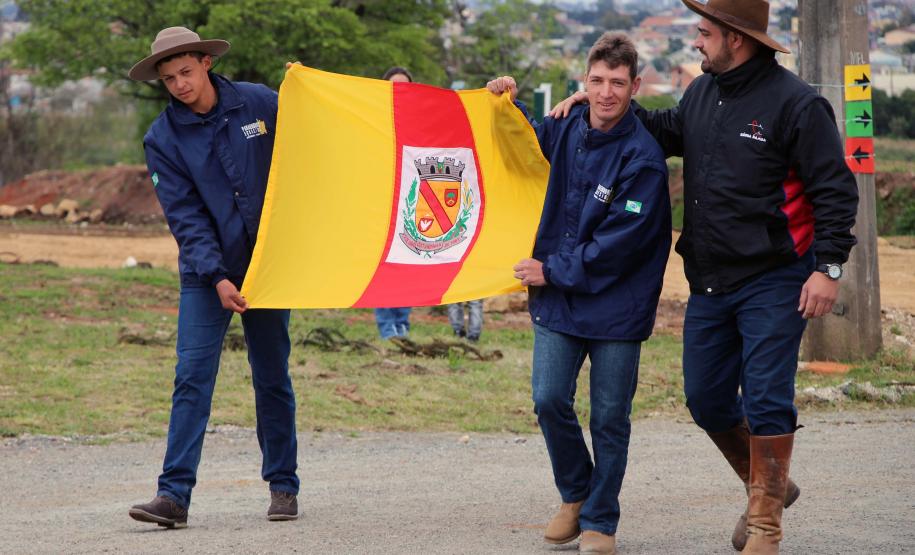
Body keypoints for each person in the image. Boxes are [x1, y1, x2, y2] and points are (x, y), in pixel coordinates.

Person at [551, 1, 859, 552]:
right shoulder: (701, 92)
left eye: (703, 32)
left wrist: (828, 269)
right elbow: (664, 129)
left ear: (736, 39)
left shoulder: (798, 105)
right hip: (711, 280)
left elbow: (835, 192)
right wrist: (599, 103)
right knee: (707, 399)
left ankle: (765, 525)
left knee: (766, 396)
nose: (696, 41)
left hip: (776, 277)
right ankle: (767, 483)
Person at [489, 32, 671, 554]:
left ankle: (600, 522)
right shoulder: (566, 126)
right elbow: (523, 143)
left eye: (617, 83)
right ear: (583, 81)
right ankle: (576, 494)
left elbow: (621, 246)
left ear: (635, 86)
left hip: (618, 304)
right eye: (597, 81)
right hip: (560, 302)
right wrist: (506, 102)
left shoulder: (644, 160)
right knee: (548, 399)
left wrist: (552, 270)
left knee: (610, 417)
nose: (606, 92)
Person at [126, 26, 300, 528]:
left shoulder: (261, 103)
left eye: (185, 71)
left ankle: (283, 486)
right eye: (168, 78)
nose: (179, 84)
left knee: (272, 378)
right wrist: (218, 276)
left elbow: (313, 140)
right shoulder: (161, 138)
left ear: (205, 62)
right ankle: (173, 496)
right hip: (207, 277)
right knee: (191, 379)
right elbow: (185, 218)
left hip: (268, 268)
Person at [374, 66, 415, 339]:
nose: (399, 89)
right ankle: (387, 326)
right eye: (394, 85)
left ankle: (403, 323)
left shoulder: (420, 118)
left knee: (408, 264)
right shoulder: (375, 117)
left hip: (410, 202)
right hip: (380, 201)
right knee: (383, 266)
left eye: (405, 85)